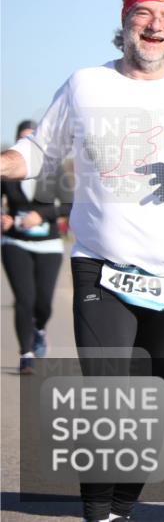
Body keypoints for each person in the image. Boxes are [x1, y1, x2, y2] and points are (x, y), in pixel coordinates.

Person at [0, 0, 164, 522]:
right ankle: (98, 511)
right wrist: (6, 162)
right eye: (144, 13)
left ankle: (121, 504)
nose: (155, 25)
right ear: (125, 22)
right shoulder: (86, 83)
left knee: (153, 399)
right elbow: (37, 152)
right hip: (99, 264)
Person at [2, 119, 72, 374]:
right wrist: (3, 218)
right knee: (24, 299)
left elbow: (68, 205)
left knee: (43, 304)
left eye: (31, 138)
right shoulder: (7, 170)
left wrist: (42, 216)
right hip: (15, 242)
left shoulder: (54, 170)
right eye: (22, 138)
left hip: (49, 244)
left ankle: (39, 330)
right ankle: (26, 354)